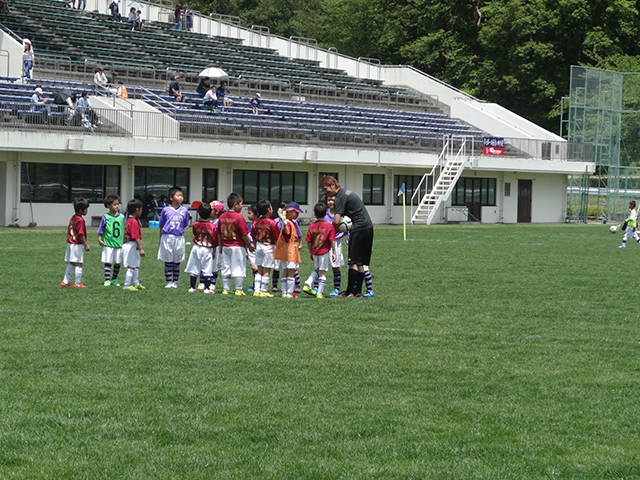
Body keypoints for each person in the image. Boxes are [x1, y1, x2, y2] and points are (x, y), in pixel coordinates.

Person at [319, 175, 374, 297]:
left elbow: (336, 221)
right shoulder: (346, 193)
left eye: (325, 189)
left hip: (358, 228)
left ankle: (350, 292)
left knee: (352, 262)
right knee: (360, 262)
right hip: (368, 227)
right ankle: (358, 291)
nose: (325, 192)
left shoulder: (340, 197)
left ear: (333, 185)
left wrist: (329, 235)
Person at [217, 192, 253, 295]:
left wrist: (220, 245)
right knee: (238, 267)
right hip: (237, 246)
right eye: (241, 204)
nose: (242, 207)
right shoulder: (239, 217)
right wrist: (248, 245)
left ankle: (226, 289)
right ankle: (238, 289)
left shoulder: (222, 216)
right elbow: (244, 234)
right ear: (235, 204)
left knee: (226, 267)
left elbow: (219, 233)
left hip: (225, 246)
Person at [157, 186, 189, 288]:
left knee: (177, 260)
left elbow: (184, 224)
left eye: (182, 196)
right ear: (171, 197)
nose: (181, 198)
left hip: (179, 237)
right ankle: (168, 281)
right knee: (168, 260)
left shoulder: (184, 210)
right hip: (167, 236)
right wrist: (160, 237)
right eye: (178, 195)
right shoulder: (165, 210)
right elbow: (162, 225)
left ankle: (175, 281)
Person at [302, 202, 336, 299]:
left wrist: (310, 252)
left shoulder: (311, 226)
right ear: (326, 213)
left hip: (315, 251)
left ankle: (308, 282)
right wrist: (334, 252)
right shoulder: (329, 226)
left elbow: (308, 241)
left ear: (314, 214)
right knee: (323, 272)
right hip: (324, 252)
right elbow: (332, 241)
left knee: (317, 270)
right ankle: (319, 293)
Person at [185, 203, 217, 293]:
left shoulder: (195, 224)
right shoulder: (212, 226)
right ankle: (207, 288)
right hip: (207, 248)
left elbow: (195, 233)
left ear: (198, 213)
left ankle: (192, 287)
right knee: (207, 268)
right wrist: (214, 250)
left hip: (196, 247)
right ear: (210, 213)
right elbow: (214, 239)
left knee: (194, 267)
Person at [251, 199, 279, 297]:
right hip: (269, 247)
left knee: (259, 269)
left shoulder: (256, 222)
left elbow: (253, 235)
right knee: (266, 270)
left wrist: (254, 244)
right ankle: (263, 290)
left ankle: (256, 290)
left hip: (259, 246)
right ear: (268, 210)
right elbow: (276, 237)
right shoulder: (272, 223)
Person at [274, 201, 303, 298]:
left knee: (285, 271)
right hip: (290, 252)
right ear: (289, 212)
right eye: (296, 212)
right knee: (290, 272)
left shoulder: (291, 222)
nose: (297, 214)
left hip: (286, 251)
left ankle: (284, 292)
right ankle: (289, 293)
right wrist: (284, 222)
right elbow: (287, 233)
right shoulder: (289, 223)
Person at [61, 197, 90, 288]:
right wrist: (85, 244)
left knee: (72, 262)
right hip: (77, 244)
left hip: (70, 243)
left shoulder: (73, 218)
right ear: (81, 210)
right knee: (78, 263)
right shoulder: (80, 220)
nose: (87, 211)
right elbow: (81, 233)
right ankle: (77, 283)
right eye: (86, 209)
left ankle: (65, 281)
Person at [97, 194, 125, 286]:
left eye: (118, 204)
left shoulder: (121, 217)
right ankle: (107, 279)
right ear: (108, 205)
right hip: (108, 243)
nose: (117, 206)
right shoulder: (105, 217)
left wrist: (126, 238)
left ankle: (114, 279)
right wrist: (100, 238)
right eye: (114, 204)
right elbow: (101, 229)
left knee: (117, 262)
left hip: (118, 243)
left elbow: (125, 228)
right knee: (108, 261)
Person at [323, 194, 345, 296]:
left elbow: (345, 228)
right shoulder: (325, 213)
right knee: (321, 265)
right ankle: (316, 287)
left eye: (332, 200)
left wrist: (340, 234)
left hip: (335, 242)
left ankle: (336, 289)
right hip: (324, 242)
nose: (330, 202)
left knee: (335, 266)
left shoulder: (340, 214)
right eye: (328, 200)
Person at [122, 198, 146, 291]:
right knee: (131, 266)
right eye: (141, 209)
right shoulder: (134, 222)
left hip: (129, 244)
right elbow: (136, 236)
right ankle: (127, 285)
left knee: (136, 265)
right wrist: (140, 248)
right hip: (132, 245)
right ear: (137, 210)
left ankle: (136, 283)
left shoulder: (128, 220)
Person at [245, 203, 259, 292]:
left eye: (250, 213)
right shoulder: (249, 225)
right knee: (253, 267)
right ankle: (256, 284)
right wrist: (246, 250)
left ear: (256, 214)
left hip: (258, 248)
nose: (248, 215)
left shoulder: (259, 224)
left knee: (257, 267)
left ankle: (259, 285)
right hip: (250, 248)